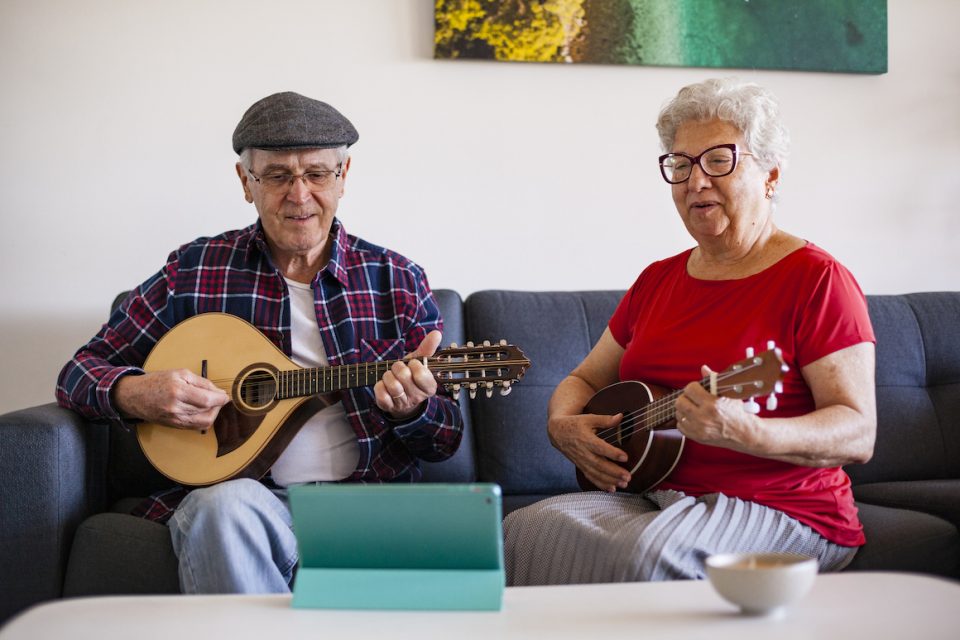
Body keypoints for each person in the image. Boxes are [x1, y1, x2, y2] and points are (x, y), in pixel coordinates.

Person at [56, 91, 463, 593]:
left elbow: (445, 440)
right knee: (220, 507)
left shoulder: (396, 278)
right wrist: (135, 393)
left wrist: (413, 409)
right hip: (245, 502)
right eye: (276, 176)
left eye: (317, 173)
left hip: (366, 506)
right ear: (245, 182)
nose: (299, 194)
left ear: (344, 177)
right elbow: (78, 373)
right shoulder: (195, 269)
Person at [503, 78, 877, 585]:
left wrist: (750, 432)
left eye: (719, 160)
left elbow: (858, 431)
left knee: (651, 556)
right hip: (654, 494)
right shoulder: (658, 279)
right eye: (681, 164)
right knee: (520, 532)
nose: (695, 181)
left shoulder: (817, 279)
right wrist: (562, 423)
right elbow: (585, 379)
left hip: (783, 508)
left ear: (770, 174)